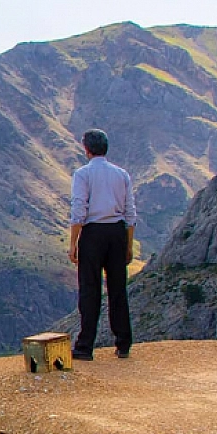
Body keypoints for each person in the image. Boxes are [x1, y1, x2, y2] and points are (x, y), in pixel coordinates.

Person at [68, 129, 137, 360]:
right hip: (117, 232)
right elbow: (130, 213)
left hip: (93, 233)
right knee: (118, 288)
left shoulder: (83, 174)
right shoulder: (121, 174)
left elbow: (79, 210)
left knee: (90, 289)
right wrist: (128, 245)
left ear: (86, 149)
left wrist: (73, 243)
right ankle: (123, 342)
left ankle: (85, 346)